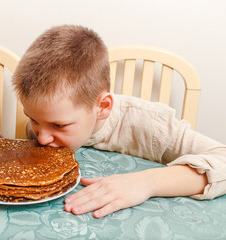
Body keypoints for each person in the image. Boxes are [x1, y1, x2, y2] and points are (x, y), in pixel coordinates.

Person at [12, 25, 226, 218]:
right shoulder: (46, 123)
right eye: (33, 120)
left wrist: (146, 182)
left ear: (103, 107)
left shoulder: (151, 126)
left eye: (59, 125)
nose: (41, 137)